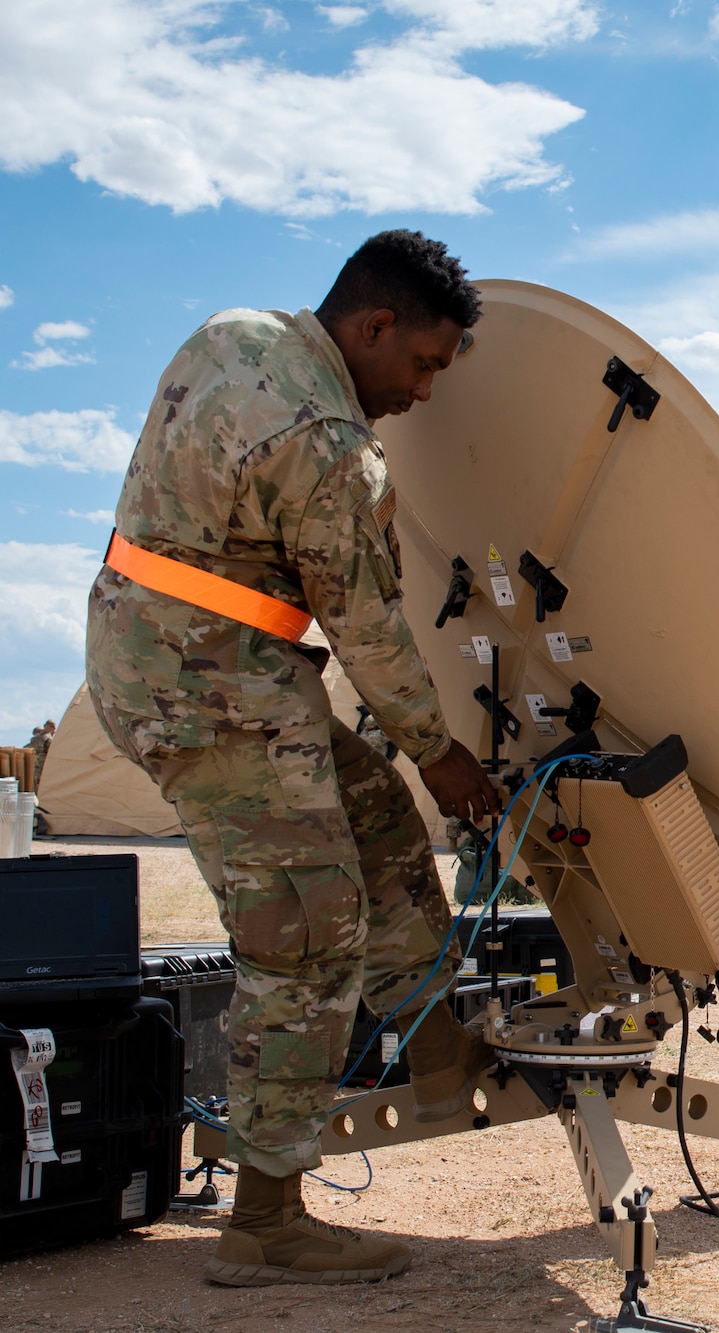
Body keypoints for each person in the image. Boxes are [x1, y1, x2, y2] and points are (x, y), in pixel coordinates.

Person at [84, 230, 504, 1288]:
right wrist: (443, 756)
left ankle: (444, 1039)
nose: (419, 393)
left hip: (179, 662)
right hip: (210, 692)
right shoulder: (329, 444)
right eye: (421, 364)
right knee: (307, 934)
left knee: (372, 816)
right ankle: (266, 1221)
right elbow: (370, 635)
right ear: (372, 327)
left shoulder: (235, 334)